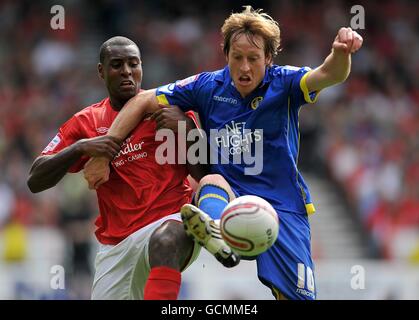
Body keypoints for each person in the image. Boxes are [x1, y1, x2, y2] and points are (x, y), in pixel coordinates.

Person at [85, 6, 363, 300]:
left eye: (253, 59)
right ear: (226, 55)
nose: (244, 67)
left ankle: (219, 228)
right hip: (228, 193)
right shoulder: (208, 85)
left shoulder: (284, 82)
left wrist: (341, 53)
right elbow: (142, 100)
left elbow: (328, 74)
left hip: (282, 206)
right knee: (210, 182)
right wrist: (104, 152)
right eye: (237, 57)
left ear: (268, 59)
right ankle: (216, 230)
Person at [27, 36, 201, 300]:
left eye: (133, 64)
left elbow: (205, 173)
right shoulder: (86, 122)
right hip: (116, 245)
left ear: (142, 66)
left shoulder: (169, 109)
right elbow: (35, 179)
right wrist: (81, 148)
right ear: (101, 71)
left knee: (164, 241)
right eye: (117, 64)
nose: (127, 72)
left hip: (170, 223)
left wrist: (187, 130)